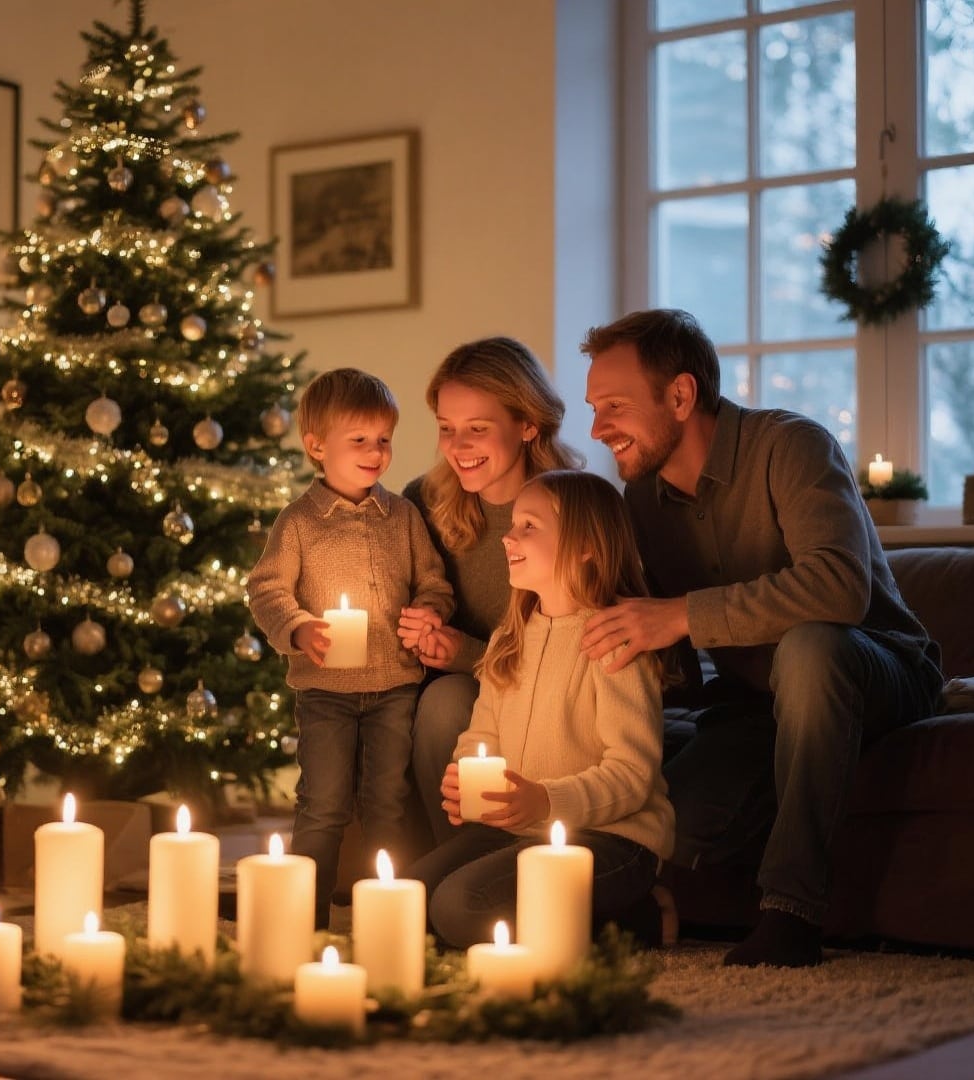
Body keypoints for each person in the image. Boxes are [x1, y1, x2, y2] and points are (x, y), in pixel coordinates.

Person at [579, 308, 943, 968]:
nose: (599, 427)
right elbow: (676, 657)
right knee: (675, 822)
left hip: (877, 668)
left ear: (681, 395)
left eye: (614, 406)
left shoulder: (791, 446)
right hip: (757, 704)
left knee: (809, 649)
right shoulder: (641, 503)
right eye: (594, 407)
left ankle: (792, 910)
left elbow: (838, 588)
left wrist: (680, 614)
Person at [409, 469, 675, 949]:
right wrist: (464, 772)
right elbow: (481, 735)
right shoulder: (511, 637)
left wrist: (546, 800)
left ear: (585, 545)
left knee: (459, 908)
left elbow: (632, 774)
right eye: (513, 524)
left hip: (610, 838)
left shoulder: (614, 639)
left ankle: (635, 919)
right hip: (518, 832)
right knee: (406, 901)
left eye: (529, 525)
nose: (509, 536)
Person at [246, 367, 455, 929]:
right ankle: (303, 917)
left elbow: (433, 580)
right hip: (325, 696)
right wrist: (298, 628)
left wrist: (431, 609)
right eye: (359, 440)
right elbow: (265, 589)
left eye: (383, 439)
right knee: (323, 804)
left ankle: (382, 916)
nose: (376, 452)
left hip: (394, 690)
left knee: (388, 803)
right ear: (316, 446)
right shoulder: (298, 524)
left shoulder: (404, 517)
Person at [397, 338, 582, 848]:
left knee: (450, 697)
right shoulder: (423, 503)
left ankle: (481, 873)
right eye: (447, 429)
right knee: (445, 701)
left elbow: (564, 663)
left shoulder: (569, 510)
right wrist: (422, 627)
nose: (458, 447)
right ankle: (459, 861)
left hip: (541, 695)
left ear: (528, 424)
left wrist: (463, 654)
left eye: (478, 429)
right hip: (458, 691)